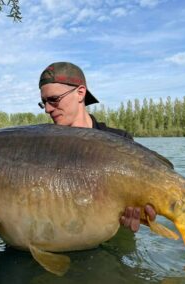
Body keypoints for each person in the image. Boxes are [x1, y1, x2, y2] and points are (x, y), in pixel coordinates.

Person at [38, 62, 156, 233]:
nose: (47, 109)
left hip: (111, 239)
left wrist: (143, 215)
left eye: (54, 100)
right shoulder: (42, 145)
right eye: (43, 102)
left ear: (80, 93)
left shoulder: (120, 141)